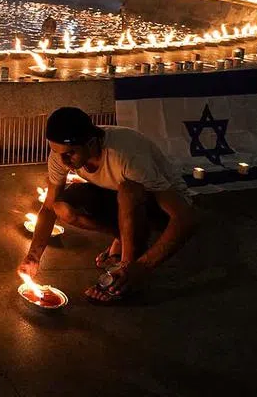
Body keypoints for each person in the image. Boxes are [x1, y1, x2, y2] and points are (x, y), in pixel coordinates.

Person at [19, 107, 199, 304]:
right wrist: (33, 256)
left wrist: (142, 267)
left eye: (69, 153)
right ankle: (123, 238)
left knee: (129, 190)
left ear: (90, 143)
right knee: (61, 207)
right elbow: (47, 208)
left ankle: (126, 273)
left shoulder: (126, 156)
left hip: (159, 207)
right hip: (119, 196)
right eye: (56, 151)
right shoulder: (61, 157)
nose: (63, 161)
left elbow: (185, 217)